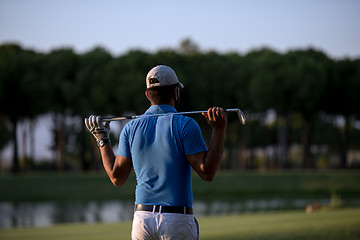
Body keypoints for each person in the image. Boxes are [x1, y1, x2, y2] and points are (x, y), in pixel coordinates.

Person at [85, 65, 227, 240]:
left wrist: (102, 139)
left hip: (142, 221)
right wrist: (219, 130)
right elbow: (207, 172)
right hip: (176, 219)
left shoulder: (130, 128)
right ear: (176, 92)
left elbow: (117, 178)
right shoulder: (185, 124)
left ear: (147, 95)